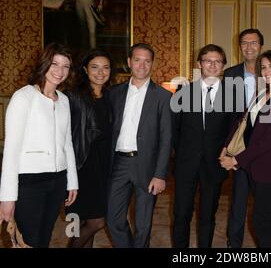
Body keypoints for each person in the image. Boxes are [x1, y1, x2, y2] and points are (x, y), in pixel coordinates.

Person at [0, 42, 78, 247]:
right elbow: (11, 151)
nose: (59, 71)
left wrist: (72, 181)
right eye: (55, 64)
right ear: (44, 64)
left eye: (66, 66)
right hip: (29, 182)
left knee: (45, 236)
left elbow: (67, 143)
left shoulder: (64, 100)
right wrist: (7, 197)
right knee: (28, 239)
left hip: (58, 180)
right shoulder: (23, 97)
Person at [220, 50, 271, 248]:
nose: (267, 71)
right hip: (254, 166)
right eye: (263, 67)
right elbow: (242, 122)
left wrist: (236, 160)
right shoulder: (262, 92)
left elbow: (270, 140)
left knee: (259, 221)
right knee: (265, 218)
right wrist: (226, 147)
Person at [106, 43, 172, 248]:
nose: (142, 65)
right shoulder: (113, 93)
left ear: (152, 63)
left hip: (147, 166)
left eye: (147, 61)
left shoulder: (163, 96)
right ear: (129, 62)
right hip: (118, 164)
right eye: (137, 60)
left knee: (143, 225)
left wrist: (160, 174)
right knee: (113, 219)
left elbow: (166, 138)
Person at [172, 44, 237, 248]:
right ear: (199, 64)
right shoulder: (183, 91)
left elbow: (234, 130)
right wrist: (179, 153)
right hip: (186, 163)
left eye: (218, 61)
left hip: (214, 163)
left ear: (223, 65)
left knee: (208, 215)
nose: (213, 65)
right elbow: (174, 129)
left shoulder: (232, 93)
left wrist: (228, 153)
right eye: (208, 60)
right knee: (181, 213)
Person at [65, 49, 113, 248]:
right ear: (85, 69)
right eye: (95, 67)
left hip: (103, 167)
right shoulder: (73, 97)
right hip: (82, 166)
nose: (100, 72)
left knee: (87, 220)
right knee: (95, 222)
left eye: (106, 67)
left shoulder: (111, 96)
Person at [223, 28, 263, 248]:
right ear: (240, 47)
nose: (249, 47)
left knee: (262, 200)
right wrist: (227, 145)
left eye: (254, 43)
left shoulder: (270, 72)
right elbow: (228, 113)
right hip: (239, 144)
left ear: (261, 46)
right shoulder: (230, 74)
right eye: (245, 43)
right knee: (238, 198)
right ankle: (234, 244)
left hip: (263, 145)